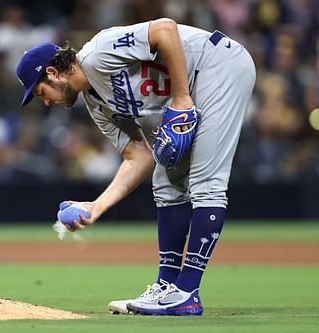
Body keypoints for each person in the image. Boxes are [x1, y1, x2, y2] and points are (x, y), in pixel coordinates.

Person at [16, 18, 255, 316]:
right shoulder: (97, 105)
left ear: (53, 72)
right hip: (197, 83)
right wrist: (97, 207)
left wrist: (181, 97)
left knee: (206, 182)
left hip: (219, 65)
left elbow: (165, 28)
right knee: (165, 183)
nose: (46, 102)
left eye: (41, 92)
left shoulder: (97, 54)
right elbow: (138, 156)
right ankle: (167, 287)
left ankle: (187, 291)